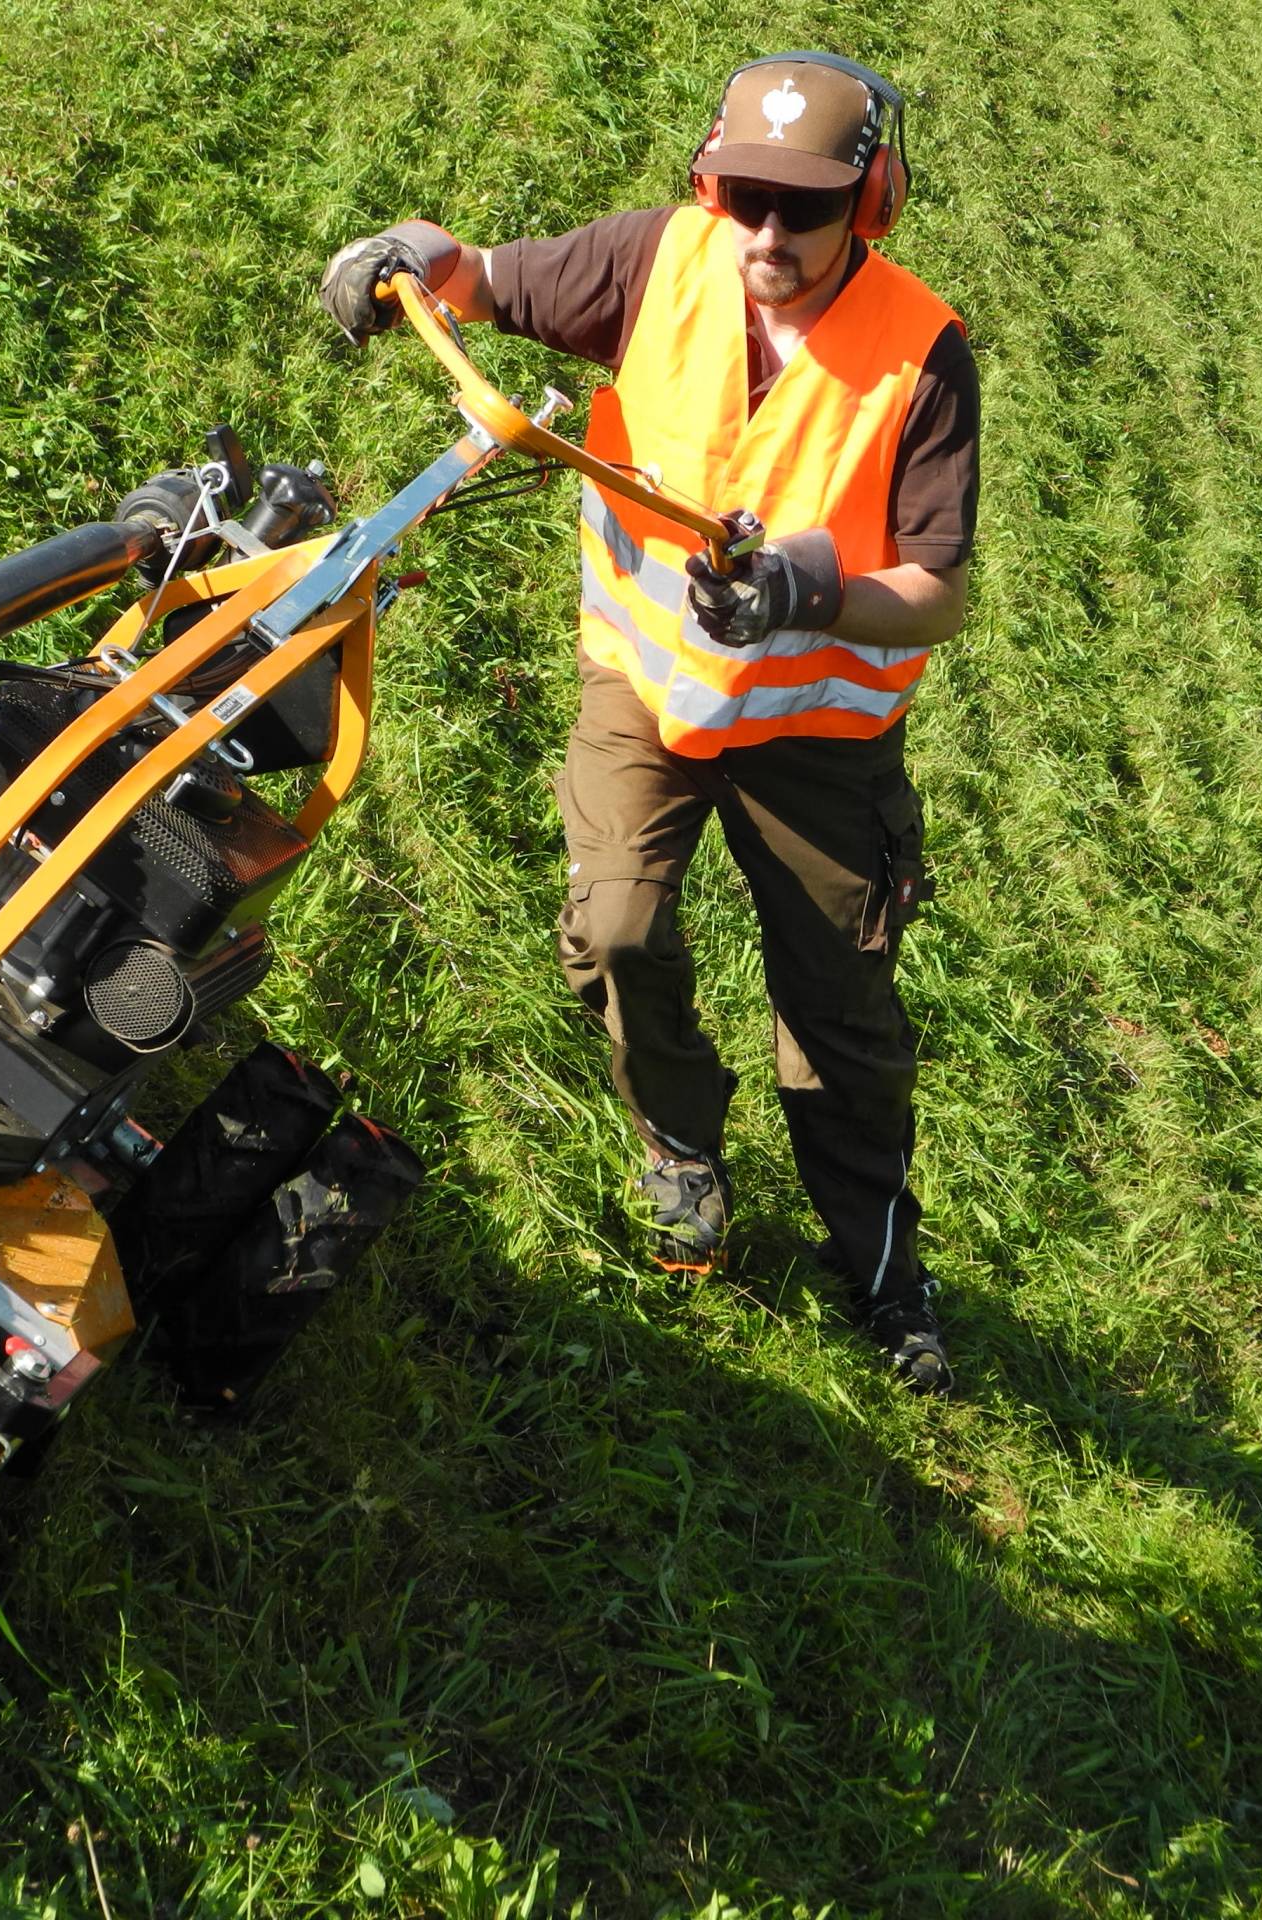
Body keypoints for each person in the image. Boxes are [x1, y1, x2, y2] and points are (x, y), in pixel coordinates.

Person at [318, 52, 978, 1393]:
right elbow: (481, 278)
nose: (769, 236)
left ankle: (879, 1265)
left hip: (818, 741)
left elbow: (939, 590)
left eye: (806, 210)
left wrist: (813, 588)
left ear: (877, 201)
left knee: (838, 1013)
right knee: (616, 928)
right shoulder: (652, 262)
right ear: (707, 187)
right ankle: (682, 1150)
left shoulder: (922, 353)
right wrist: (402, 253)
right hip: (649, 689)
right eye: (746, 200)